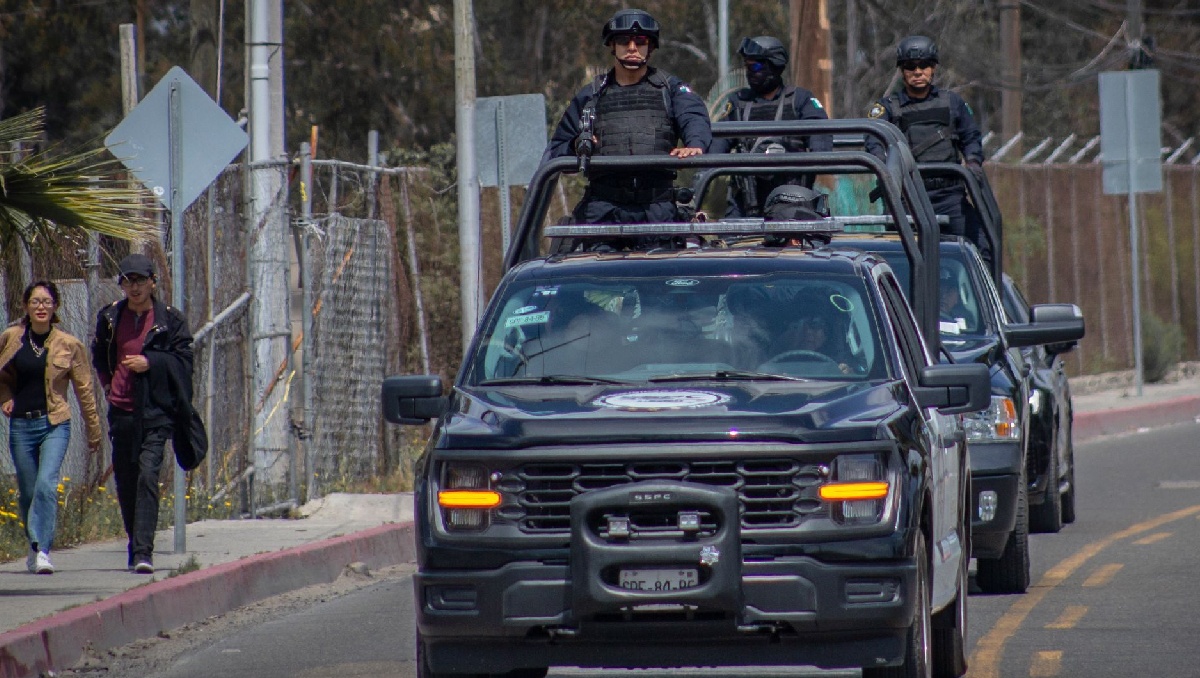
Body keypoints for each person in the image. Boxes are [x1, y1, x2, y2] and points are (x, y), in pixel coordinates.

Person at [543, 8, 712, 224]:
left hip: (657, 209)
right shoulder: (592, 94)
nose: (632, 48)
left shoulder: (670, 89)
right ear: (612, 45)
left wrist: (695, 144)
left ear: (650, 46)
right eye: (624, 40)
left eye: (640, 41)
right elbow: (558, 149)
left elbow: (694, 117)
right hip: (602, 210)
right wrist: (576, 147)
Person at [92, 253, 195, 574]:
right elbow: (98, 355)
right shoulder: (109, 317)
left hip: (155, 411)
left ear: (153, 282)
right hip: (121, 410)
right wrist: (109, 385)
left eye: (139, 280)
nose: (134, 287)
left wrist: (151, 362)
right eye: (127, 281)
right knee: (126, 480)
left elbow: (184, 361)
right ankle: (134, 540)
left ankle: (143, 552)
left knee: (149, 475)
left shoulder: (170, 320)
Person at [0, 281, 102, 575]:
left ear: (55, 306)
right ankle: (32, 545)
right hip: (21, 424)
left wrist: (93, 431)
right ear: (26, 306)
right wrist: (6, 398)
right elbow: (2, 376)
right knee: (28, 491)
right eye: (35, 302)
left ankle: (43, 549)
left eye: (46, 301)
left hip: (55, 423)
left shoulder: (69, 345)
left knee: (46, 484)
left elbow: (85, 390)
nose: (41, 307)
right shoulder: (11, 338)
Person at [866, 35, 984, 243]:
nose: (918, 71)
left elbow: (971, 136)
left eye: (925, 65)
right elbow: (874, 140)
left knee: (981, 247)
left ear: (933, 68)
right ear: (902, 70)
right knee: (900, 256)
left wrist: (973, 162)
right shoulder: (887, 108)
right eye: (911, 66)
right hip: (908, 195)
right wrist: (885, 167)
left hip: (950, 195)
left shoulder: (952, 103)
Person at [710, 35, 834, 216]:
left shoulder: (800, 100)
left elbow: (821, 140)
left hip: (792, 200)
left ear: (774, 66)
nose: (750, 72)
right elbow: (716, 147)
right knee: (730, 239)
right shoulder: (738, 103)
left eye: (756, 66)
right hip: (746, 203)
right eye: (747, 66)